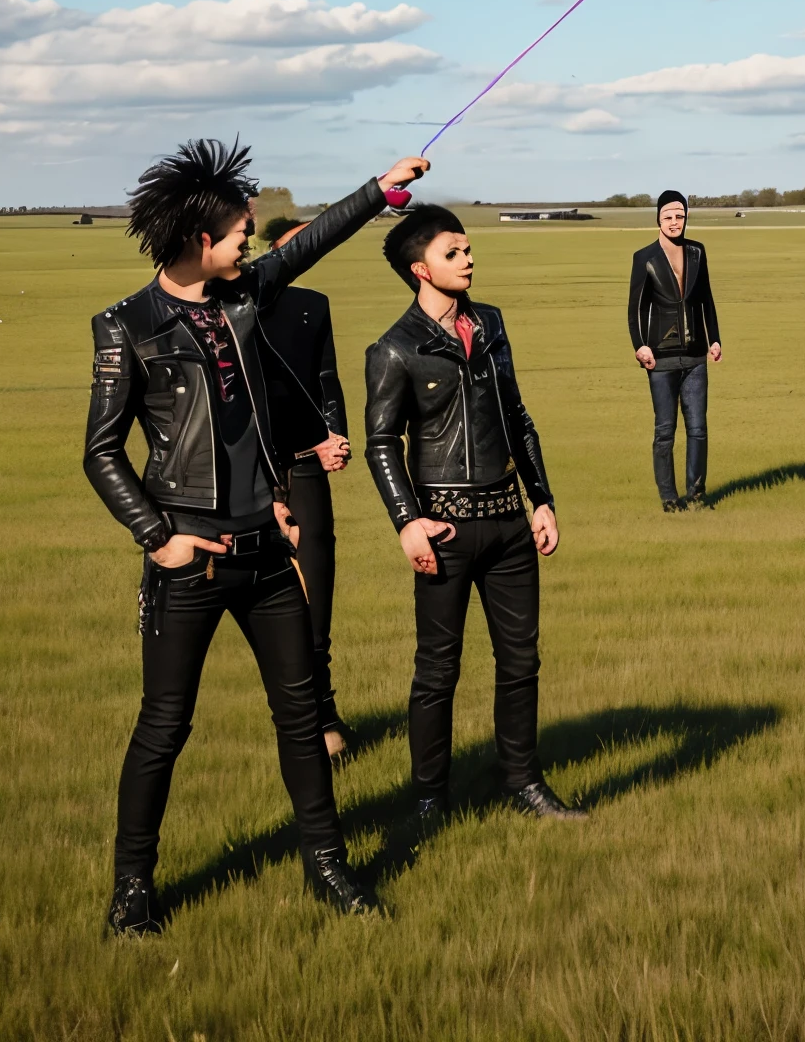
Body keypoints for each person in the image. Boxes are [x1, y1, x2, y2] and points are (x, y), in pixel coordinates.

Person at [83, 136, 429, 936]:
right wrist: (157, 537)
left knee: (302, 715)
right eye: (240, 232)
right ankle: (132, 889)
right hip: (189, 564)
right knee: (164, 728)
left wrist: (381, 187)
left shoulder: (244, 295)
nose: (252, 241)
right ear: (201, 242)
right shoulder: (126, 327)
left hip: (269, 553)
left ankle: (330, 868)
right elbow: (101, 452)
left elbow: (310, 242)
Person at [364, 204, 585, 824]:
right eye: (453, 253)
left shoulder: (489, 323)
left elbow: (517, 415)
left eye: (467, 250)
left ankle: (523, 782)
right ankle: (431, 798)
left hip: (510, 522)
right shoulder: (393, 349)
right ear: (420, 269)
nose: (468, 260)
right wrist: (407, 520)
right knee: (438, 670)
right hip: (444, 528)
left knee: (521, 660)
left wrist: (540, 499)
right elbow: (381, 443)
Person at [260, 231, 354, 760]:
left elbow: (327, 379)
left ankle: (324, 710)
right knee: (272, 600)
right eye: (292, 246)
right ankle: (297, 713)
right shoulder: (236, 302)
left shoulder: (313, 305)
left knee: (317, 589)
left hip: (308, 467)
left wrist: (334, 435)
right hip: (254, 473)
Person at [627, 191, 722, 510]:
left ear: (686, 217)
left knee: (698, 429)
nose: (674, 222)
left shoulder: (698, 252)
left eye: (679, 216)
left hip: (696, 357)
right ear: (658, 218)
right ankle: (669, 498)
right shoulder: (644, 258)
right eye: (668, 216)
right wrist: (639, 345)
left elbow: (706, 298)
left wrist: (715, 339)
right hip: (661, 358)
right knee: (665, 431)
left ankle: (697, 494)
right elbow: (635, 309)